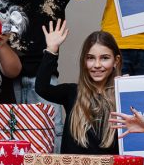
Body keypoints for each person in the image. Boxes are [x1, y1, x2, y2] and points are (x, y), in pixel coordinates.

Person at [35, 21, 122, 155]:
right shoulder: (71, 92)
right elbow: (42, 88)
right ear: (84, 61)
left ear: (116, 61)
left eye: (104, 58)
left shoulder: (122, 96)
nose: (97, 64)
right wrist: (51, 50)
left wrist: (127, 88)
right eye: (90, 58)